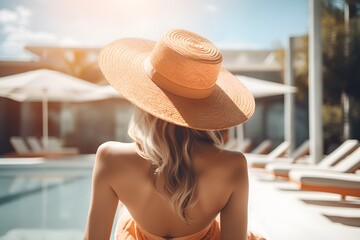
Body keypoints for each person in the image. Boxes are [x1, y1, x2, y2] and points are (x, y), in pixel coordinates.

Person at [83, 29, 263, 240]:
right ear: (207, 108)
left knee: (125, 213)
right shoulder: (234, 166)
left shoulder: (110, 158)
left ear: (143, 97)